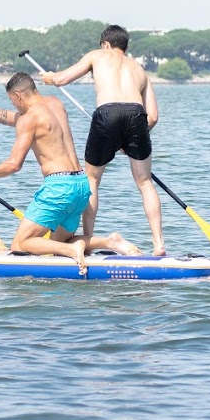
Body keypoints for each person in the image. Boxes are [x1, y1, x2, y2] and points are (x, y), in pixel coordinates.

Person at [0, 73, 141, 274]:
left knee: (21, 244)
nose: (14, 106)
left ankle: (71, 249)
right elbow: (12, 118)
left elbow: (14, 164)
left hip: (58, 188)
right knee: (56, 242)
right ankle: (109, 241)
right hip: (80, 185)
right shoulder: (55, 104)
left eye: (12, 101)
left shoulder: (29, 118)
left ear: (19, 96)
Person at [41, 25, 164, 255]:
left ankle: (87, 242)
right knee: (145, 183)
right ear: (124, 47)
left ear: (105, 44)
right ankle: (159, 245)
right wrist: (129, 140)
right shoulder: (139, 69)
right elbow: (154, 117)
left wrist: (49, 77)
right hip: (137, 116)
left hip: (107, 113)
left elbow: (62, 79)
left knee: (92, 181)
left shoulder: (97, 55)